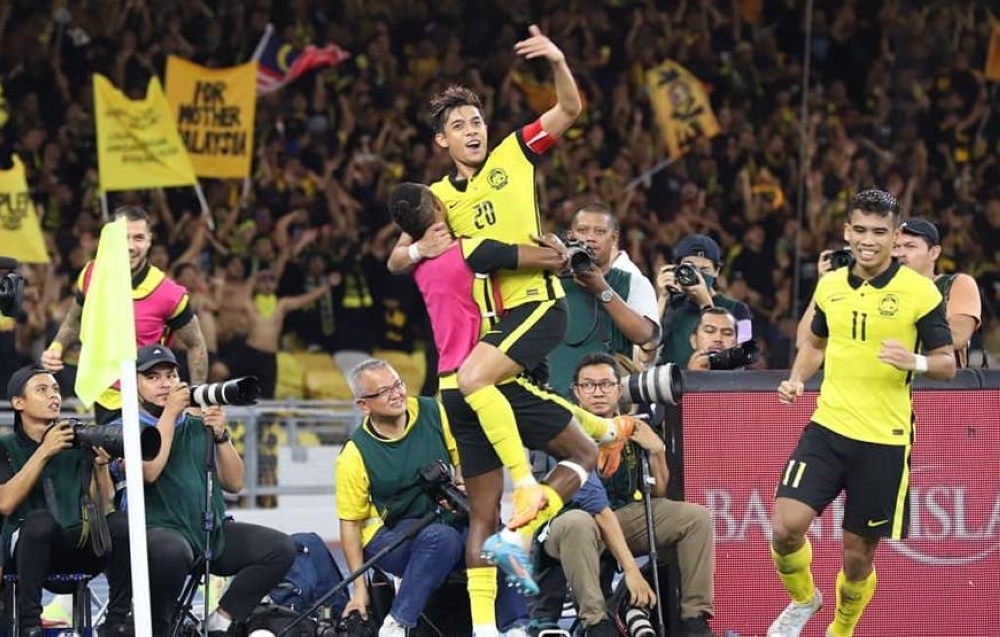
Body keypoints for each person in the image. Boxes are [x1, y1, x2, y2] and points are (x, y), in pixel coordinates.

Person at [386, 25, 607, 537]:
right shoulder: (439, 197)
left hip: (536, 304)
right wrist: (419, 249)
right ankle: (520, 531)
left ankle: (530, 484)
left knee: (472, 381)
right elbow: (396, 260)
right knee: (517, 421)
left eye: (477, 121)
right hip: (498, 330)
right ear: (442, 140)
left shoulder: (515, 153)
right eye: (459, 125)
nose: (473, 131)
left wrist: (557, 60)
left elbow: (569, 108)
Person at [389, 184, 621, 635]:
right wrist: (557, 247)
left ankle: (483, 629)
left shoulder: (420, 265)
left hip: (449, 388)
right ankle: (523, 519)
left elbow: (398, 256)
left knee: (481, 515)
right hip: (489, 380)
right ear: (437, 208)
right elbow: (552, 262)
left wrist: (413, 246)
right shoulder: (471, 250)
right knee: (583, 454)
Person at [770, 190, 956, 637]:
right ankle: (804, 599)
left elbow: (948, 363)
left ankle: (842, 627)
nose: (867, 241)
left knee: (857, 556)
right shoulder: (830, 285)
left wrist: (916, 361)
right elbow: (815, 344)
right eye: (860, 230)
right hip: (828, 426)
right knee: (785, 527)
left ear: (895, 237)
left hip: (884, 440)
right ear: (846, 232)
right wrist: (797, 378)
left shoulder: (919, 292)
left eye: (878, 232)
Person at [335, 359, 528, 637]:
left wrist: (461, 480)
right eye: (384, 391)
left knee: (498, 538)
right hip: (390, 534)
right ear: (363, 405)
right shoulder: (354, 453)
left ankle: (515, 627)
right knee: (442, 539)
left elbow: (462, 456)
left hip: (442, 518)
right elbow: (350, 524)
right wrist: (359, 590)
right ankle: (397, 623)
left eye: (398, 384)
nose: (397, 394)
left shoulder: (433, 411)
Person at [531, 353, 717, 637]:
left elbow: (658, 493)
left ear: (619, 389)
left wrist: (657, 452)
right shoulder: (564, 431)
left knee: (695, 517)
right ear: (576, 392)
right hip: (566, 524)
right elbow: (596, 509)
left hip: (620, 517)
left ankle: (694, 620)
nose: (598, 392)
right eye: (589, 385)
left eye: (606, 384)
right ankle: (596, 623)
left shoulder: (631, 428)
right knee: (578, 522)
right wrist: (631, 570)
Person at [115, 345, 295, 637]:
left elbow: (235, 484)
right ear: (133, 385)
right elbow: (149, 472)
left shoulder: (197, 425)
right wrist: (170, 414)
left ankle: (221, 620)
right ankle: (160, 628)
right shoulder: (124, 428)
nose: (164, 383)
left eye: (171, 376)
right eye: (152, 377)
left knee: (280, 548)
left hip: (209, 533)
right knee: (171, 552)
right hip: (157, 535)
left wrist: (222, 436)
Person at [41, 206, 209, 423]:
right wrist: (57, 347)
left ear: (149, 240)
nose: (130, 246)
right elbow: (75, 319)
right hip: (103, 398)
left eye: (138, 238)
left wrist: (197, 402)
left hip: (147, 404)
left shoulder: (168, 293)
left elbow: (196, 344)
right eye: (123, 237)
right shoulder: (92, 274)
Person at [0, 365, 132, 636]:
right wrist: (44, 451)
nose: (54, 396)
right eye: (42, 390)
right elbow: (5, 503)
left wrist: (101, 468)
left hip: (79, 545)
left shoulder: (77, 443)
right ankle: (30, 625)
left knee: (120, 523)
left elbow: (102, 503)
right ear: (18, 403)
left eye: (56, 389)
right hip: (29, 552)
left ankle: (117, 621)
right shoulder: (6, 446)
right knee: (40, 522)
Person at [547, 204, 660, 396]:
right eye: (582, 230)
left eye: (600, 232)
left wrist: (602, 290)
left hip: (604, 401)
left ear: (614, 238)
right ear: (570, 236)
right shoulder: (549, 280)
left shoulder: (632, 282)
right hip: (554, 397)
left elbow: (645, 336)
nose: (590, 238)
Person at [227, 267, 341, 398]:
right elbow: (243, 296)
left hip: (269, 358)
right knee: (240, 395)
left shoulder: (281, 304)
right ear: (257, 284)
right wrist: (254, 278)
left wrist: (327, 286)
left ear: (276, 285)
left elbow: (305, 299)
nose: (267, 283)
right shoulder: (251, 304)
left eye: (271, 280)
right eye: (263, 280)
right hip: (250, 353)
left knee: (267, 398)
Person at [894, 217, 982, 368]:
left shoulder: (956, 284)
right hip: (888, 380)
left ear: (934, 253)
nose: (900, 253)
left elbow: (956, 337)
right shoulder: (880, 288)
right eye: (895, 247)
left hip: (940, 380)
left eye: (910, 246)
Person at [653, 234, 752, 368]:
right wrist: (662, 298)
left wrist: (706, 303)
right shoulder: (670, 304)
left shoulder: (739, 309)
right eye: (690, 268)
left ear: (716, 271)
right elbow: (646, 351)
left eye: (704, 270)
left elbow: (745, 358)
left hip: (712, 381)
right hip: (671, 380)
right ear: (677, 268)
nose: (697, 275)